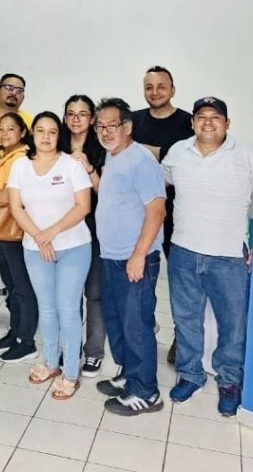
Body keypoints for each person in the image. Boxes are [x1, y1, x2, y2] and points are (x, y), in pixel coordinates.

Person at [162, 97, 253, 417]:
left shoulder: (247, 157)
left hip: (228, 256)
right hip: (183, 251)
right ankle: (190, 375)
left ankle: (230, 381)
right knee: (186, 320)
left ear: (227, 123)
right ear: (192, 123)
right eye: (201, 116)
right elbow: (162, 183)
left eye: (215, 117)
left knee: (233, 325)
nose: (208, 122)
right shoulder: (178, 152)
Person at [7, 111, 92, 400]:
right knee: (46, 307)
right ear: (32, 134)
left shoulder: (71, 165)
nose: (46, 136)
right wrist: (38, 236)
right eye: (40, 130)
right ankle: (51, 362)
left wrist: (50, 232)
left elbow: (83, 206)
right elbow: (16, 207)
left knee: (67, 309)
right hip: (35, 248)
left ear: (59, 135)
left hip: (73, 247)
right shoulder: (20, 166)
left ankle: (71, 373)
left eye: (52, 131)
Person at [93, 98, 167, 416]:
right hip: (111, 255)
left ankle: (146, 392)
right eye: (100, 126)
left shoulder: (141, 160)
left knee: (137, 325)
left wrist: (139, 255)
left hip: (135, 258)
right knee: (117, 320)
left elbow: (157, 210)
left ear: (127, 126)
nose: (105, 132)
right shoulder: (113, 156)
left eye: (112, 125)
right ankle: (129, 375)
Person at [131, 66, 193, 365]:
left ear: (172, 89)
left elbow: (183, 165)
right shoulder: (133, 120)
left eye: (161, 86)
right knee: (139, 276)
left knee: (180, 280)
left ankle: (183, 337)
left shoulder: (187, 123)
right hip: (138, 214)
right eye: (149, 87)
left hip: (177, 213)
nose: (155, 92)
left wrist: (151, 154)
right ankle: (144, 328)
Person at [0, 113, 38, 364]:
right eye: (0, 129)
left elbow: (10, 197)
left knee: (22, 287)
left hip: (15, 230)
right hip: (2, 230)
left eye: (10, 129)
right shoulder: (6, 155)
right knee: (12, 285)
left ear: (23, 132)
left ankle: (27, 341)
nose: (4, 133)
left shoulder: (22, 158)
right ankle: (15, 332)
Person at [60, 94, 106, 378]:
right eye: (71, 113)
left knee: (95, 293)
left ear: (92, 118)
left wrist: (88, 167)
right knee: (69, 293)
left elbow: (106, 193)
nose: (76, 119)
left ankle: (94, 352)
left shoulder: (102, 146)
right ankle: (71, 346)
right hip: (64, 226)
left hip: (96, 227)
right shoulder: (57, 143)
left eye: (82, 114)